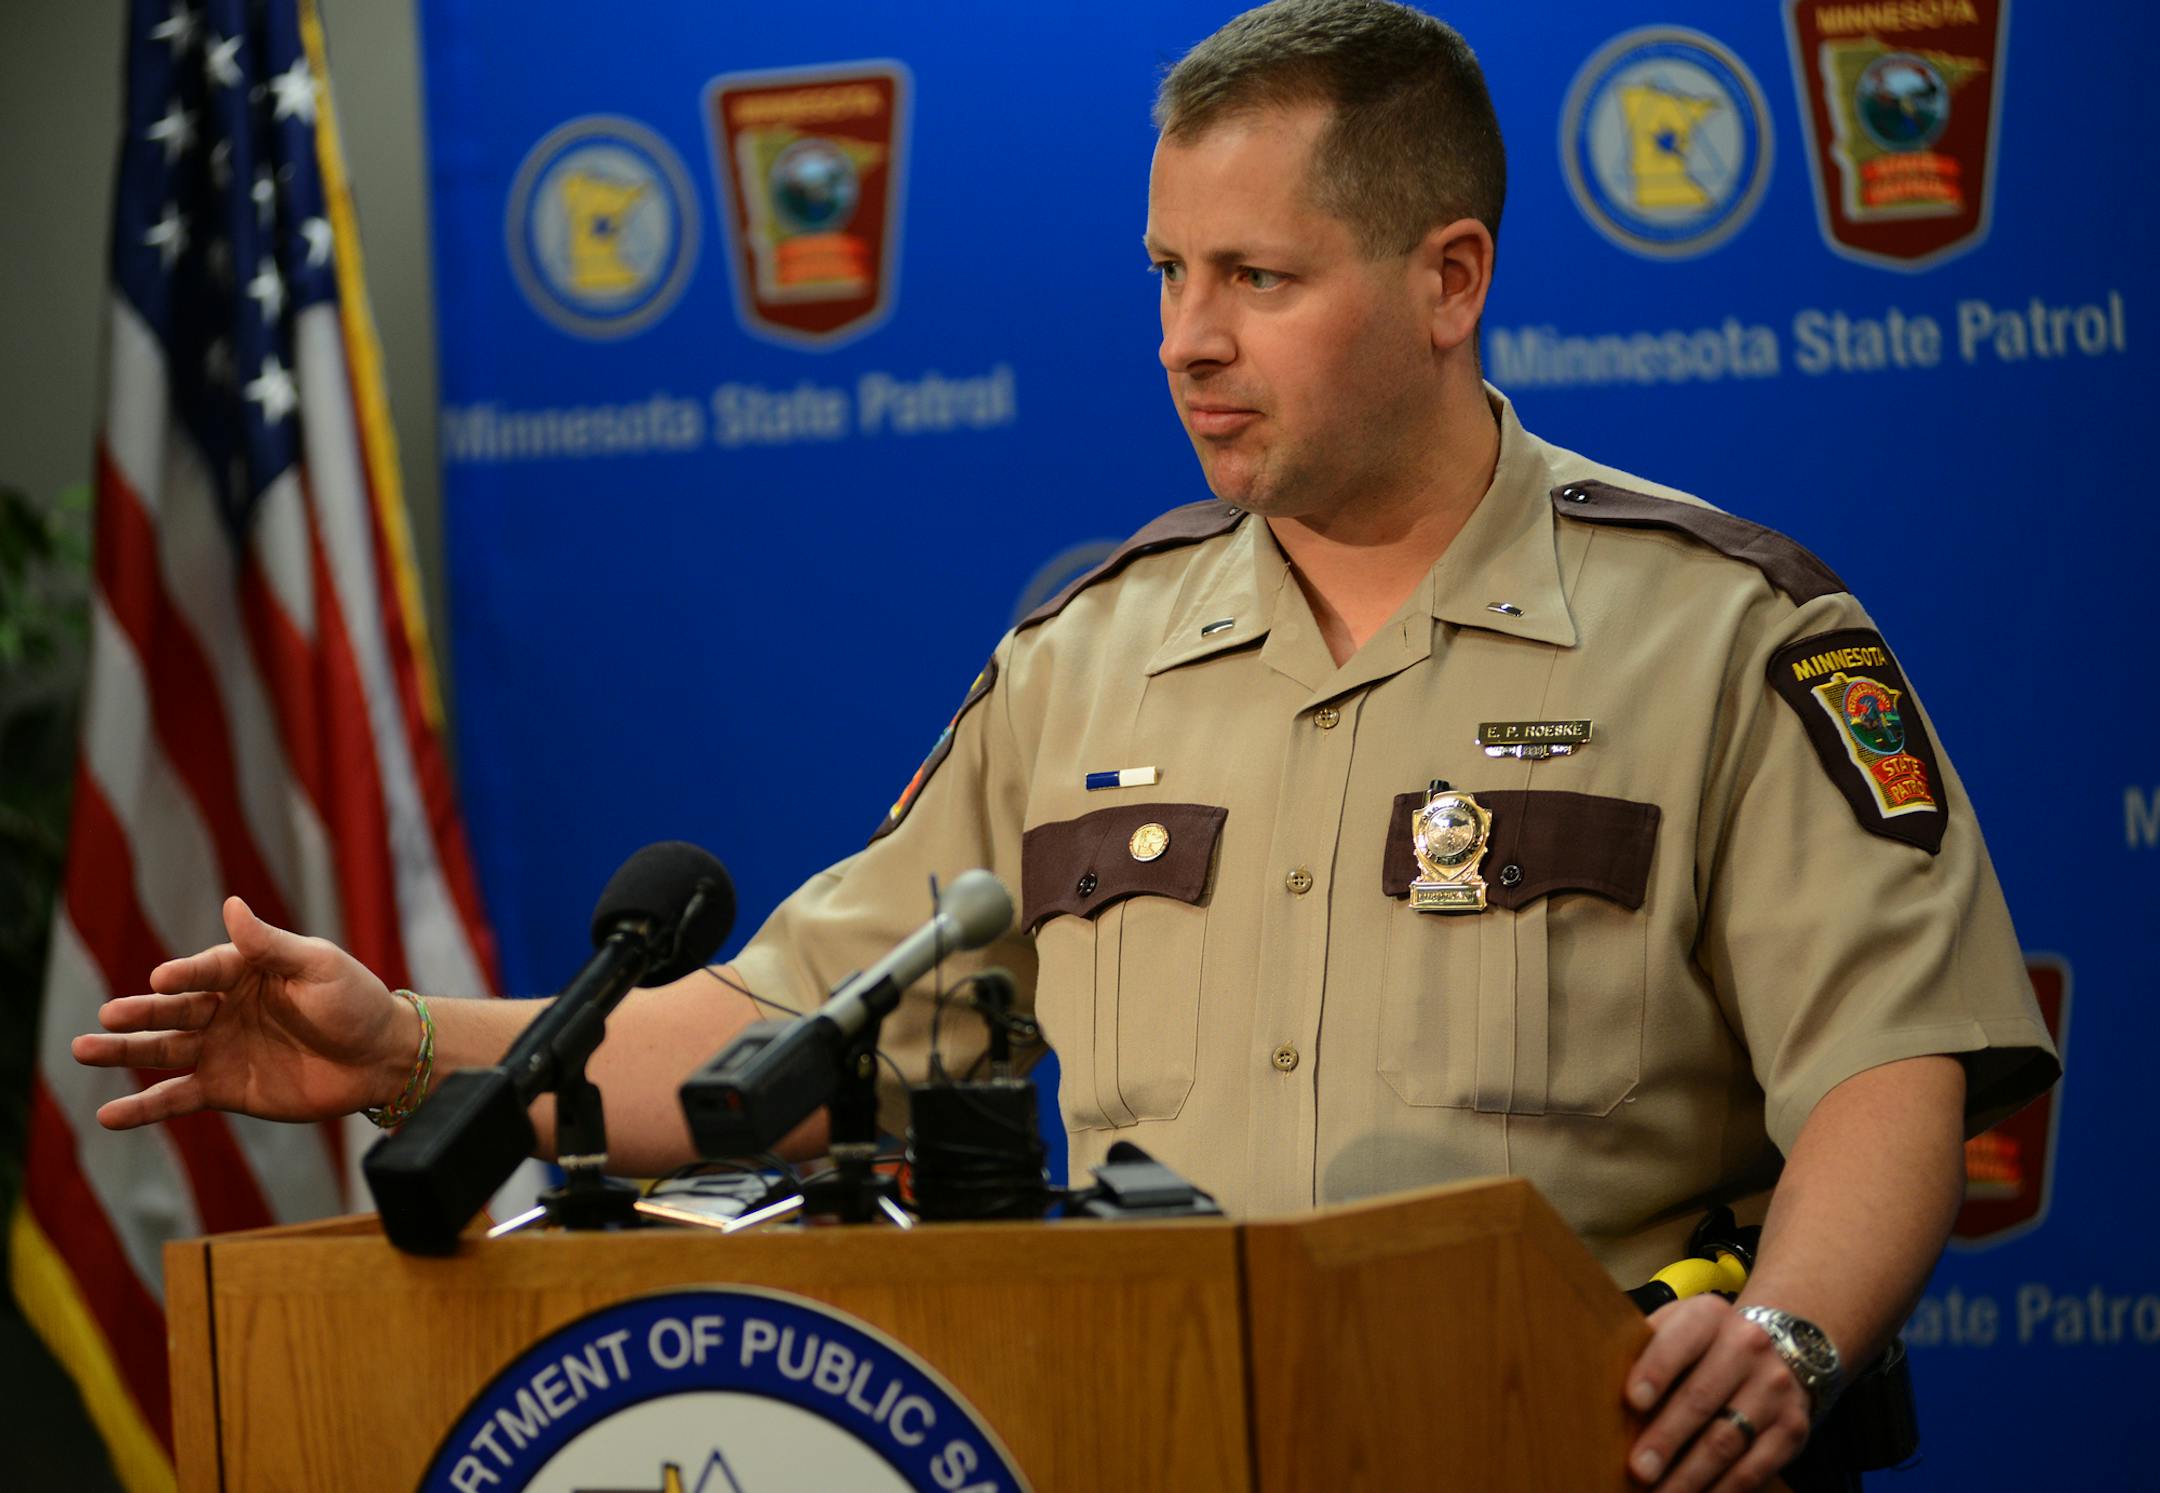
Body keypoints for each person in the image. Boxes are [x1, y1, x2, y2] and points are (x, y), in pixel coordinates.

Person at [75, 3, 2057, 1489]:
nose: (1187, 337)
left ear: (1450, 280)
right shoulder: (1086, 654)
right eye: (1168, 277)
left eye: (1256, 281)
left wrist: (1791, 1335)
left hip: (1575, 1445)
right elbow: (789, 1024)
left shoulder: (1724, 630)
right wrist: (405, 1043)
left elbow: (1890, 1058)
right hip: (1155, 1441)